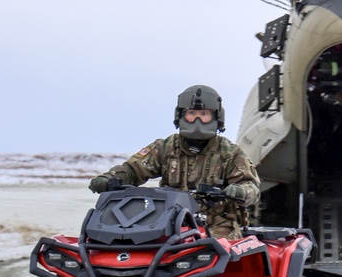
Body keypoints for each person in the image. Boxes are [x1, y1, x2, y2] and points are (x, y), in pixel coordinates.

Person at [89, 84, 260, 239]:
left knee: (224, 252)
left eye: (204, 114)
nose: (197, 120)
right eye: (191, 114)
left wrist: (239, 191)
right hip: (170, 222)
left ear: (216, 117)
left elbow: (251, 188)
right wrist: (110, 179)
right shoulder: (165, 147)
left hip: (217, 225)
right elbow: (133, 170)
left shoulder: (230, 153)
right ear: (181, 116)